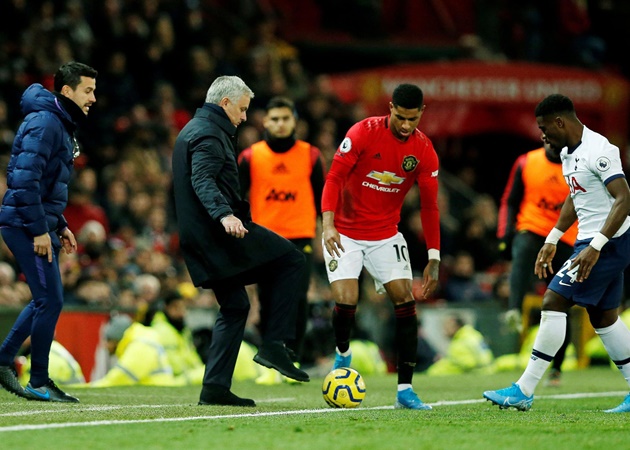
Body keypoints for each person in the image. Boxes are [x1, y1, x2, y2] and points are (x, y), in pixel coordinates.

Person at [484, 93, 630, 413]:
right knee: (604, 318)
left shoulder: (600, 150)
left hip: (607, 243)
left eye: (544, 128)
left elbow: (624, 199)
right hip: (589, 241)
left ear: (560, 122)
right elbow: (574, 196)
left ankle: (523, 389)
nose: (542, 135)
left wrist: (595, 247)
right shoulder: (568, 153)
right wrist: (552, 238)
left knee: (553, 301)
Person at [171, 75, 310, 407]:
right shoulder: (208, 133)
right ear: (225, 103)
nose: (245, 117)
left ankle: (214, 387)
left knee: (235, 306)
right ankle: (275, 344)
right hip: (219, 233)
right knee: (292, 260)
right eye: (243, 109)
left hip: (200, 236)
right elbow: (202, 178)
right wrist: (224, 215)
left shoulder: (192, 129)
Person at [322, 83, 440, 410]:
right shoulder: (362, 133)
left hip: (385, 235)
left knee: (405, 300)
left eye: (413, 119)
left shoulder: (424, 151)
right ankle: (343, 352)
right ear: (390, 108)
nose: (405, 125)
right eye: (401, 117)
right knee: (346, 299)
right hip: (344, 232)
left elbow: (430, 207)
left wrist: (434, 256)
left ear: (422, 114)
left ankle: (405, 390)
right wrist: (328, 224)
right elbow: (333, 178)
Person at [0, 61, 97, 403]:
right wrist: (41, 230)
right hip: (25, 224)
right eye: (88, 90)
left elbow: (44, 184)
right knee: (49, 300)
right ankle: (35, 378)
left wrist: (60, 224)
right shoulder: (46, 122)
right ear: (67, 91)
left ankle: (7, 361)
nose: (93, 98)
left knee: (47, 299)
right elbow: (24, 181)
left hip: (33, 221)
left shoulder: (57, 121)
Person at [238, 95, 326, 382]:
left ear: (294, 121)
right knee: (267, 299)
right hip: (265, 238)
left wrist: (326, 232)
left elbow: (323, 199)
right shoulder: (250, 157)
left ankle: (291, 360)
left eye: (285, 118)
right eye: (274, 119)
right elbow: (238, 199)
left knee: (298, 298)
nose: (280, 124)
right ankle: (270, 363)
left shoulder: (311, 155)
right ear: (265, 121)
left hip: (300, 236)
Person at [497, 139, 579, 386]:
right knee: (522, 249)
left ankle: (557, 368)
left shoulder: (578, 166)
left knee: (559, 303)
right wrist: (504, 233)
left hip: (565, 236)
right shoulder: (526, 162)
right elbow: (510, 200)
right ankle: (514, 308)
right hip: (533, 226)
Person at [89, 314, 179, 387]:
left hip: (156, 392)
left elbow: (119, 378)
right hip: (158, 390)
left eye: (108, 340)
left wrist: (88, 387)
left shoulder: (141, 346)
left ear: (116, 339)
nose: (105, 346)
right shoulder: (143, 340)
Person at [149, 290, 205, 385]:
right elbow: (173, 365)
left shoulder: (182, 330)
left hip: (185, 375)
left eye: (183, 307)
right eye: (176, 307)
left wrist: (198, 369)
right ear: (166, 308)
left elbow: (191, 356)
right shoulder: (162, 330)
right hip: (172, 379)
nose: (181, 312)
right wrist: (196, 372)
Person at [426, 314, 494, 376]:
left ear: (457, 326)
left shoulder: (462, 341)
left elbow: (470, 364)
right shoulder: (472, 334)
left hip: (473, 374)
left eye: (448, 326)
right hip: (484, 371)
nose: (445, 329)